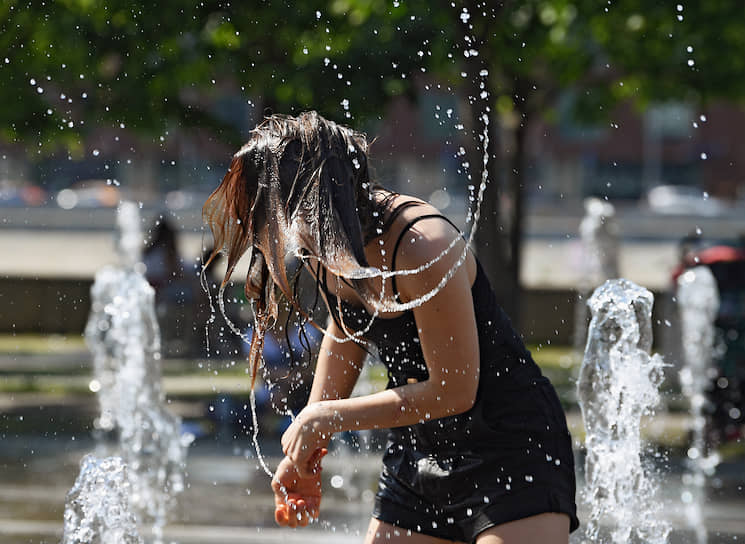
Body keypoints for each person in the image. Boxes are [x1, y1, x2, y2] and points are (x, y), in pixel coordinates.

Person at [202, 111, 578, 543]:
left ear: (314, 198)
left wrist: (325, 416)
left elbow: (454, 390)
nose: (273, 232)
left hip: (511, 444)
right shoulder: (320, 242)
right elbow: (345, 334)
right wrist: (307, 448)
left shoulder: (422, 245)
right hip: (421, 448)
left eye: (273, 212)